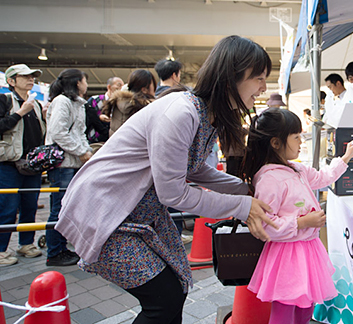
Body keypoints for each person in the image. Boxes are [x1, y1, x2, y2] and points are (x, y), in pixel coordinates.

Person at [56, 36, 278, 324]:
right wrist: (242, 205)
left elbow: (193, 168)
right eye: (258, 78)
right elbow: (173, 193)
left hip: (138, 215)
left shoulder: (206, 114)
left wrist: (244, 188)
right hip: (108, 214)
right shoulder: (182, 113)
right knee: (164, 299)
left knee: (173, 293)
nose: (263, 87)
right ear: (229, 79)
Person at [242, 108, 353, 324]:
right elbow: (265, 225)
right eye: (296, 137)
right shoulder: (270, 180)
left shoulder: (296, 169)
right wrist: (302, 222)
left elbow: (324, 177)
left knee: (305, 308)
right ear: (276, 143)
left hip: (308, 249)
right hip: (286, 255)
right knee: (285, 310)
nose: (301, 142)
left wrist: (346, 157)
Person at [45, 68, 93, 266]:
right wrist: (81, 152)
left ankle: (63, 248)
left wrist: (86, 152)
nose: (86, 84)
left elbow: (80, 133)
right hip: (62, 163)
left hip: (74, 162)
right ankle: (55, 252)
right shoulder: (62, 102)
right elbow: (58, 133)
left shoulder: (78, 104)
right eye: (84, 80)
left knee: (70, 207)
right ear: (77, 83)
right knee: (59, 208)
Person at [0, 64, 46, 266]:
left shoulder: (34, 103)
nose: (30, 80)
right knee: (7, 208)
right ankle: (1, 250)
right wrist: (19, 113)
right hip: (9, 163)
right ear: (11, 80)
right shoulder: (5, 100)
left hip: (32, 164)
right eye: (25, 76)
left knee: (29, 206)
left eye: (32, 77)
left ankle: (26, 244)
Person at [102, 69, 156, 137]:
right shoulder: (145, 107)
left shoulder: (119, 102)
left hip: (116, 145)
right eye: (153, 84)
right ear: (144, 89)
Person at [85, 76, 124, 143]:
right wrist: (99, 118)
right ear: (109, 87)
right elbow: (86, 118)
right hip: (94, 141)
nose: (120, 89)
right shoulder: (95, 100)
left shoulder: (122, 104)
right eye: (118, 86)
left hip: (113, 141)